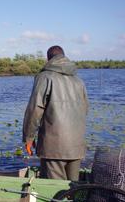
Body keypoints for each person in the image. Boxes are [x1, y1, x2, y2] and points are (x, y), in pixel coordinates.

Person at [22, 45, 89, 181]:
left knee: (54, 192)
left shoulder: (44, 77)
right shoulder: (78, 81)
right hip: (76, 147)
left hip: (53, 148)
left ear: (48, 59)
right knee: (72, 189)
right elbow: (85, 109)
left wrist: (28, 138)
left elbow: (35, 109)